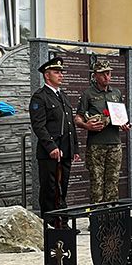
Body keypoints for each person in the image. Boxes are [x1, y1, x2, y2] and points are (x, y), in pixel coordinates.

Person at [30, 57, 79, 223]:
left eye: (61, 72)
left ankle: (62, 221)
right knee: (50, 189)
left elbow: (70, 125)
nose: (61, 75)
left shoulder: (62, 96)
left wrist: (75, 149)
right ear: (47, 75)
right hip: (49, 152)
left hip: (65, 149)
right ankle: (50, 223)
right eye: (56, 72)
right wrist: (51, 147)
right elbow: (39, 126)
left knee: (62, 186)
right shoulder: (40, 97)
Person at [75, 60, 130, 204]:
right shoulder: (88, 94)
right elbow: (78, 118)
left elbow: (121, 116)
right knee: (97, 182)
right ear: (95, 75)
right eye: (103, 74)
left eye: (109, 73)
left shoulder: (116, 93)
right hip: (96, 145)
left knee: (113, 181)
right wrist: (87, 126)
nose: (107, 77)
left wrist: (124, 124)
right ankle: (97, 217)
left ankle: (111, 217)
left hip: (114, 143)